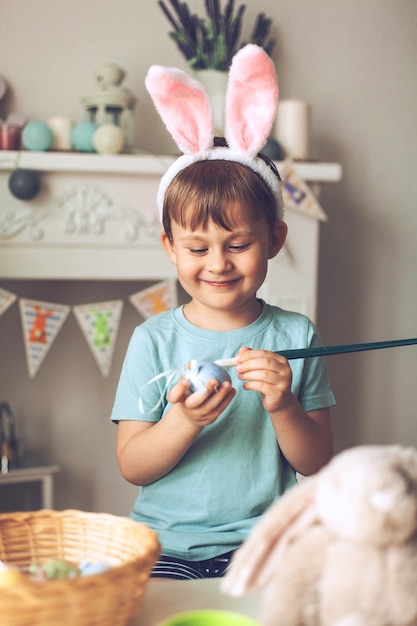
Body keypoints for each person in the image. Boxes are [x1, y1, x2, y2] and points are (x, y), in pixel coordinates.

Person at [110, 45, 336, 580]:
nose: (218, 264)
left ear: (274, 239)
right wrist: (184, 419)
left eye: (237, 244)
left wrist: (282, 404)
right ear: (170, 246)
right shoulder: (153, 339)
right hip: (161, 547)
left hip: (266, 545)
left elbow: (318, 463)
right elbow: (131, 464)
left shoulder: (295, 334)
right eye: (197, 248)